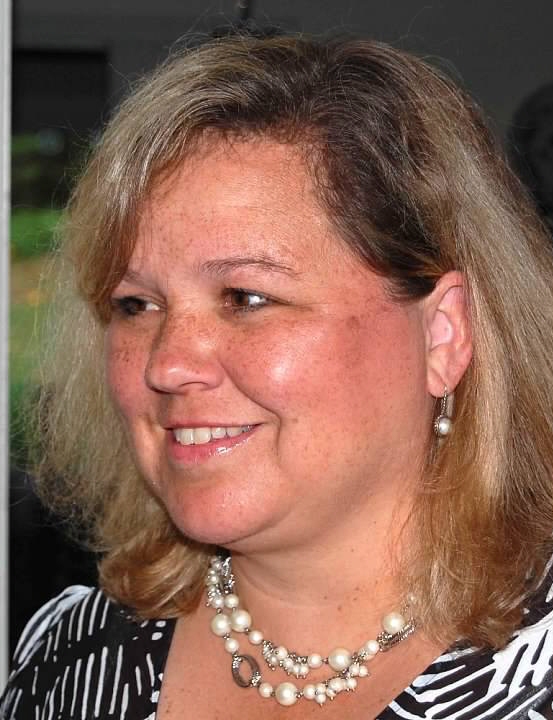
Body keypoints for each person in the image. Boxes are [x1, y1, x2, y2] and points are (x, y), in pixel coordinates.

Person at [3, 34, 553, 720]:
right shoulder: (70, 658)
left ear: (442, 334)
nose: (167, 364)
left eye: (246, 297)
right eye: (136, 305)